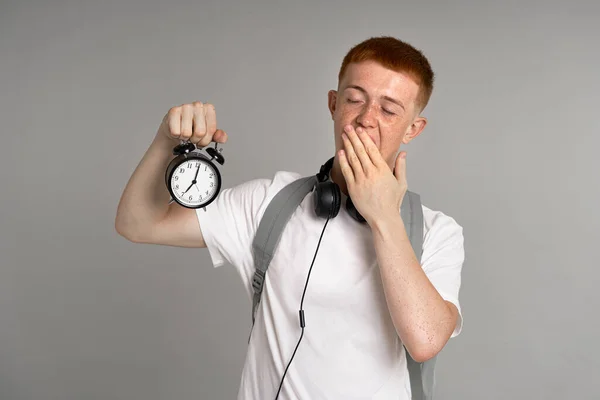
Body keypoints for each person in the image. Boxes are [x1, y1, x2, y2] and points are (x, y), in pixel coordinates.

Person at [115, 36, 464, 400]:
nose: (365, 120)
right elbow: (137, 224)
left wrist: (383, 218)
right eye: (354, 99)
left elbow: (425, 340)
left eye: (389, 110)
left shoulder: (437, 233)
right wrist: (163, 142)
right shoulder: (270, 203)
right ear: (333, 103)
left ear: (413, 128)